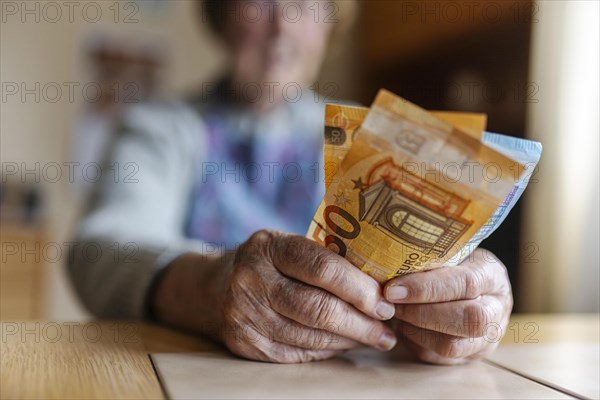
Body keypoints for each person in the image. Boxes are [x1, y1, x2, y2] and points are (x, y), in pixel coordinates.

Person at [68, 0, 513, 365]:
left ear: (329, 26)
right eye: (259, 2)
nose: (282, 26)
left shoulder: (370, 134)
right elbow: (100, 248)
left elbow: (430, 267)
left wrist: (469, 297)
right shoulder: (161, 126)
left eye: (305, 3)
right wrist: (209, 288)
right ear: (222, 16)